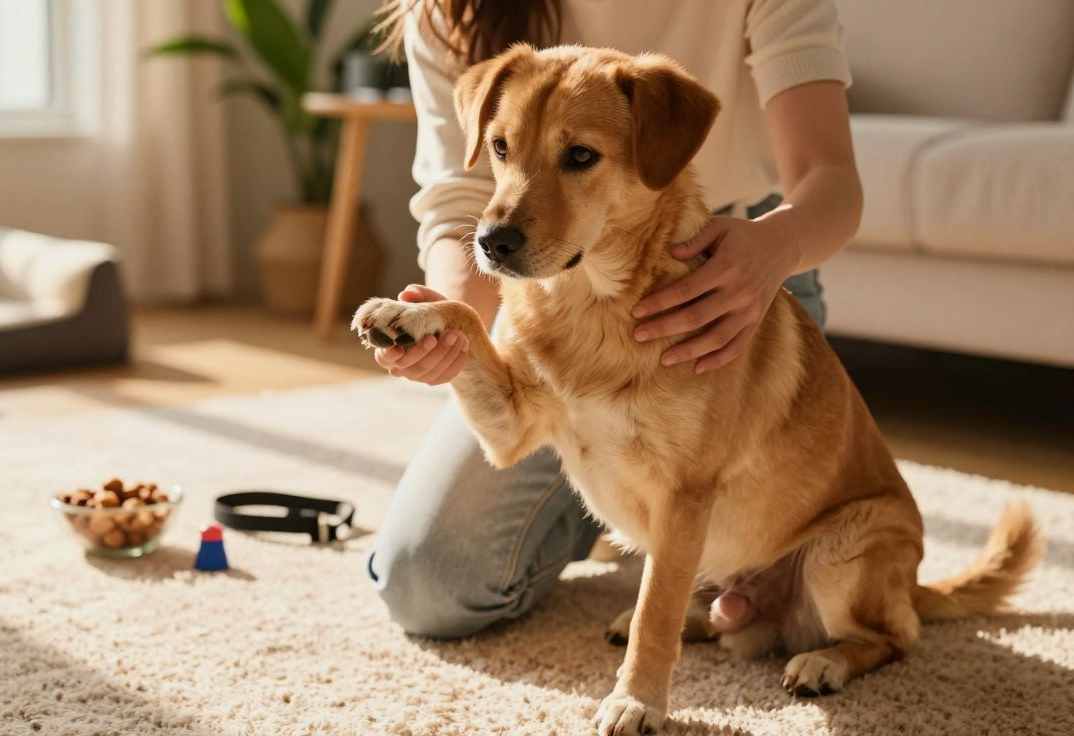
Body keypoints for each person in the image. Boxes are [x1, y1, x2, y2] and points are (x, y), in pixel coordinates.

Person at [367, 0, 863, 638]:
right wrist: (448, 326)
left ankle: (645, 528)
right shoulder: (451, 11)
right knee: (427, 583)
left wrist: (772, 253)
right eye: (501, 147)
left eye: (578, 157)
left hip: (738, 270)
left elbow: (830, 180)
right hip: (545, 293)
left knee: (691, 488)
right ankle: (623, 519)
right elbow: (461, 202)